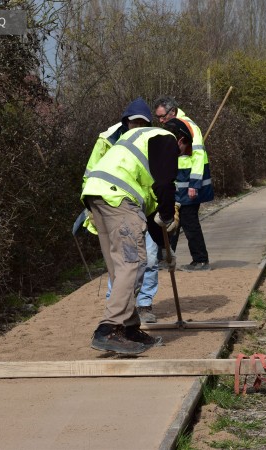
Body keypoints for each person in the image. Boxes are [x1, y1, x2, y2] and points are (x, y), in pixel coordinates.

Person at [81, 115, 193, 355]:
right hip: (120, 199)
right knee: (133, 263)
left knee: (119, 267)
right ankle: (108, 329)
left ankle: (129, 328)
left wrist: (165, 250)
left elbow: (152, 216)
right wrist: (168, 214)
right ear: (181, 140)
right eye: (184, 151)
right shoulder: (167, 139)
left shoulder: (140, 136)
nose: (180, 157)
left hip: (97, 196)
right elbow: (165, 185)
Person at [81, 98, 161, 323]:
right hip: (115, 206)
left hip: (143, 207)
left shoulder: (149, 141)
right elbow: (91, 173)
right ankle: (116, 309)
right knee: (121, 260)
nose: (138, 126)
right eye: (134, 122)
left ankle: (144, 304)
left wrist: (163, 207)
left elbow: (155, 178)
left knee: (150, 257)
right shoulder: (106, 141)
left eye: (142, 123)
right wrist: (90, 209)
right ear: (126, 121)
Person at [153, 96, 214, 272]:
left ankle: (201, 260)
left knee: (189, 222)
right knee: (171, 221)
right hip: (176, 183)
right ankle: (166, 259)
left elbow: (198, 157)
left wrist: (194, 184)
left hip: (189, 184)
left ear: (172, 111)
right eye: (158, 117)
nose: (161, 120)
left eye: (163, 116)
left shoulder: (189, 126)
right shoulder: (171, 127)